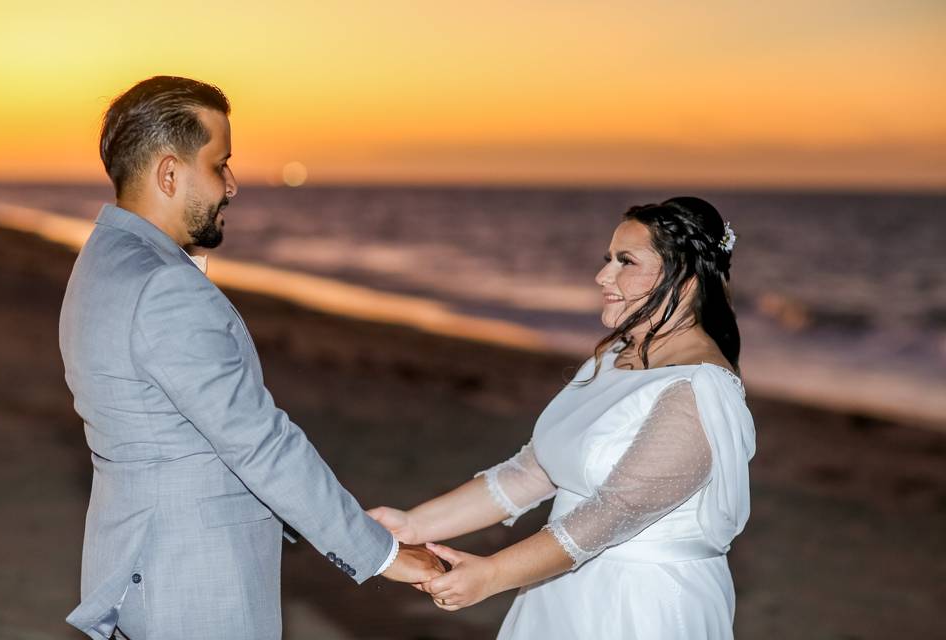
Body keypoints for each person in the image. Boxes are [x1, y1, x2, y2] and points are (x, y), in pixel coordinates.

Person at [59, 76, 443, 640]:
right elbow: (260, 441)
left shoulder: (101, 259)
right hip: (193, 583)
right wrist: (382, 554)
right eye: (220, 165)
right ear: (169, 173)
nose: (233, 185)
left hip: (134, 566)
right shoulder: (164, 287)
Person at [370, 197, 756, 639]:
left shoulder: (699, 391)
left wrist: (492, 574)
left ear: (684, 279)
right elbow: (531, 471)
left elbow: (613, 512)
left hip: (641, 606)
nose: (602, 276)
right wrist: (415, 524)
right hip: (559, 589)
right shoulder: (613, 357)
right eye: (607, 259)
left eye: (625, 262)